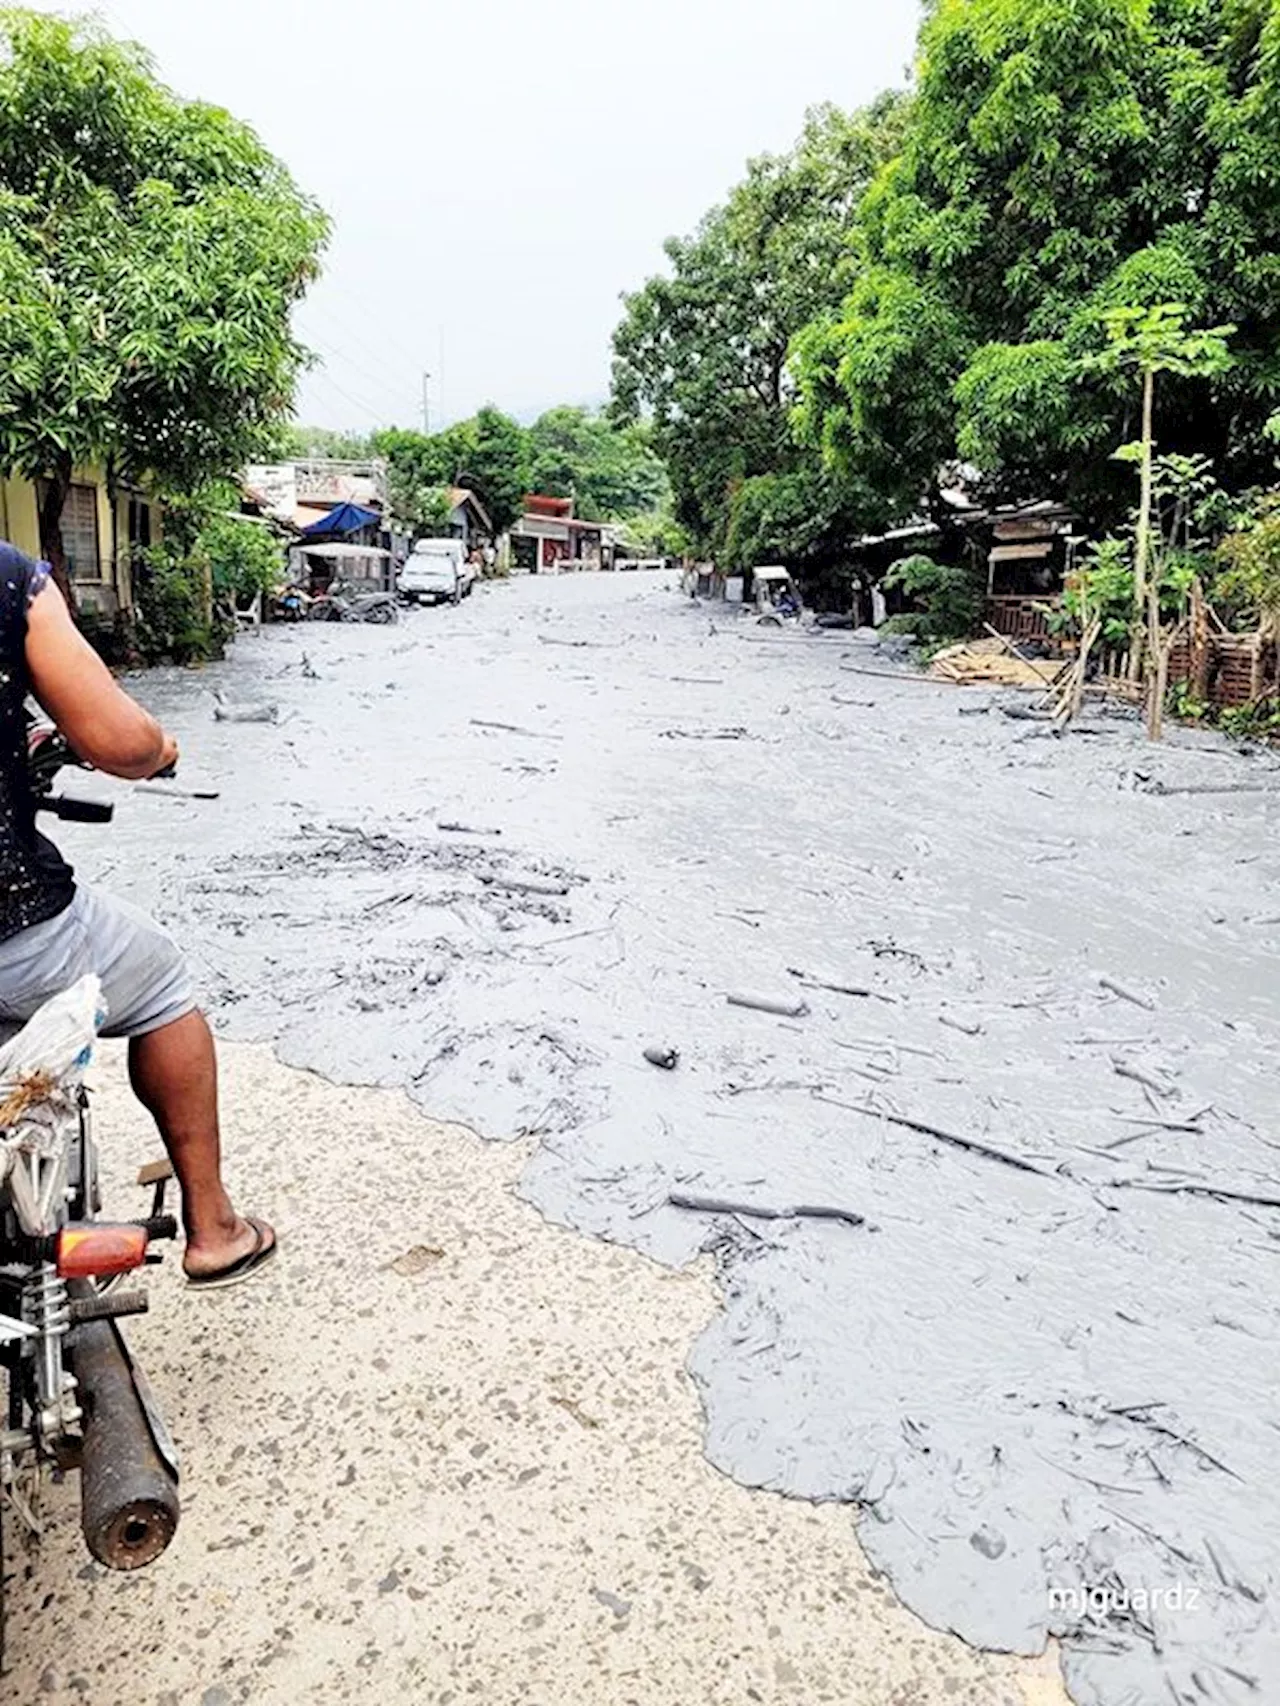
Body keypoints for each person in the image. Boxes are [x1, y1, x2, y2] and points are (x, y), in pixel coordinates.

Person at [0, 543, 275, 1290]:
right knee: (160, 979)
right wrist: (159, 750)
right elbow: (120, 741)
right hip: (14, 924)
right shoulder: (11, 578)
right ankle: (215, 1227)